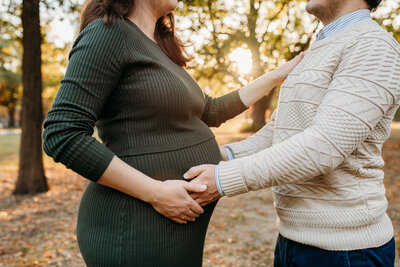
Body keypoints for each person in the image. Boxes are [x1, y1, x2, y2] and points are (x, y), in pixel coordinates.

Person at [42, 0, 303, 266]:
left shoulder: (160, 47)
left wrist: (279, 74)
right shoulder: (108, 33)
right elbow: (63, 132)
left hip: (176, 228)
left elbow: (210, 110)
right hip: (134, 226)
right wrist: (155, 192)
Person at [184, 0, 400, 266]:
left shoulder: (374, 46)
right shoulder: (319, 47)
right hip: (291, 240)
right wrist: (224, 155)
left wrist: (223, 179)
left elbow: (324, 147)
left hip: (346, 250)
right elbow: (281, 128)